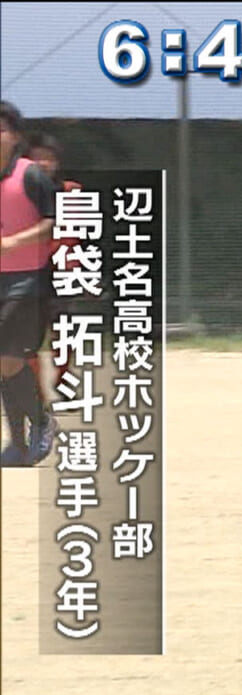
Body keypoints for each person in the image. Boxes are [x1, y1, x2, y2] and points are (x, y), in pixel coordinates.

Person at [0, 101, 59, 467]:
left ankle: (38, 425)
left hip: (27, 281)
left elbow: (53, 222)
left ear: (16, 136)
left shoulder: (31, 176)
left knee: (6, 358)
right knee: (6, 364)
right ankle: (20, 440)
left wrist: (13, 242)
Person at [25, 133, 78, 404]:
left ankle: (64, 384)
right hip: (24, 272)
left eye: (49, 158)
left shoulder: (71, 191)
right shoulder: (15, 195)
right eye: (36, 158)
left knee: (64, 333)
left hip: (60, 269)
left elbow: (75, 235)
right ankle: (38, 394)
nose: (43, 163)